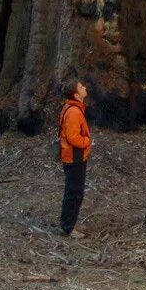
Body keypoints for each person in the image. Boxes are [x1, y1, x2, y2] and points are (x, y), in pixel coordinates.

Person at [58, 76, 92, 238]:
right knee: (74, 192)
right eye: (81, 87)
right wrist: (87, 141)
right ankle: (68, 228)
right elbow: (72, 137)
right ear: (77, 95)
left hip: (75, 156)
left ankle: (70, 224)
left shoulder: (73, 108)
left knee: (75, 191)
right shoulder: (73, 112)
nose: (84, 87)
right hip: (74, 157)